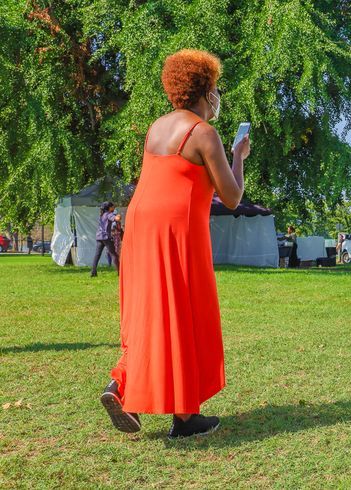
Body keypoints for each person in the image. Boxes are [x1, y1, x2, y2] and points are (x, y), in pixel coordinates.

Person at [100, 49, 250, 439]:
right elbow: (232, 197)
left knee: (150, 309)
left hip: (141, 224)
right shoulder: (203, 133)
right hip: (176, 229)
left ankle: (126, 387)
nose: (217, 96)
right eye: (216, 88)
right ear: (204, 89)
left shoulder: (156, 128)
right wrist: (238, 156)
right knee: (182, 313)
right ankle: (183, 417)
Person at [90, 202, 121, 276]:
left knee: (97, 255)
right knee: (114, 255)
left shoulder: (102, 214)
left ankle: (93, 272)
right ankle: (120, 272)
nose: (114, 208)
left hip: (99, 236)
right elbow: (117, 219)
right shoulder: (109, 214)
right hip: (106, 237)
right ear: (109, 208)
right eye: (113, 207)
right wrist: (118, 215)